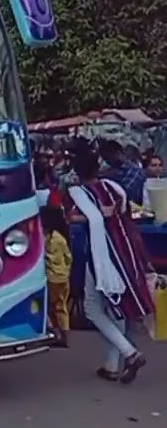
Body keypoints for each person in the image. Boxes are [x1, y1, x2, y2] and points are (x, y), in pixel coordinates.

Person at [65, 150, 156, 383]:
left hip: (100, 258)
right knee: (115, 306)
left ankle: (130, 353)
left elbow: (74, 218)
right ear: (98, 168)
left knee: (92, 308)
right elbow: (123, 214)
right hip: (126, 254)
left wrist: (90, 217)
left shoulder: (78, 193)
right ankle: (111, 365)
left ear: (76, 171)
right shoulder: (114, 189)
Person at [42, 205, 71, 347]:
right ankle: (64, 336)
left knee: (47, 307)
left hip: (51, 277)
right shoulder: (62, 238)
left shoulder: (50, 239)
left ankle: (54, 333)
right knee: (61, 306)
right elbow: (68, 258)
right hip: (63, 276)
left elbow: (46, 258)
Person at [99, 139, 146, 207]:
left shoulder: (134, 170)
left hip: (134, 210)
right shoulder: (111, 171)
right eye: (106, 159)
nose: (108, 162)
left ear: (118, 153)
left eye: (108, 158)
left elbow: (126, 194)